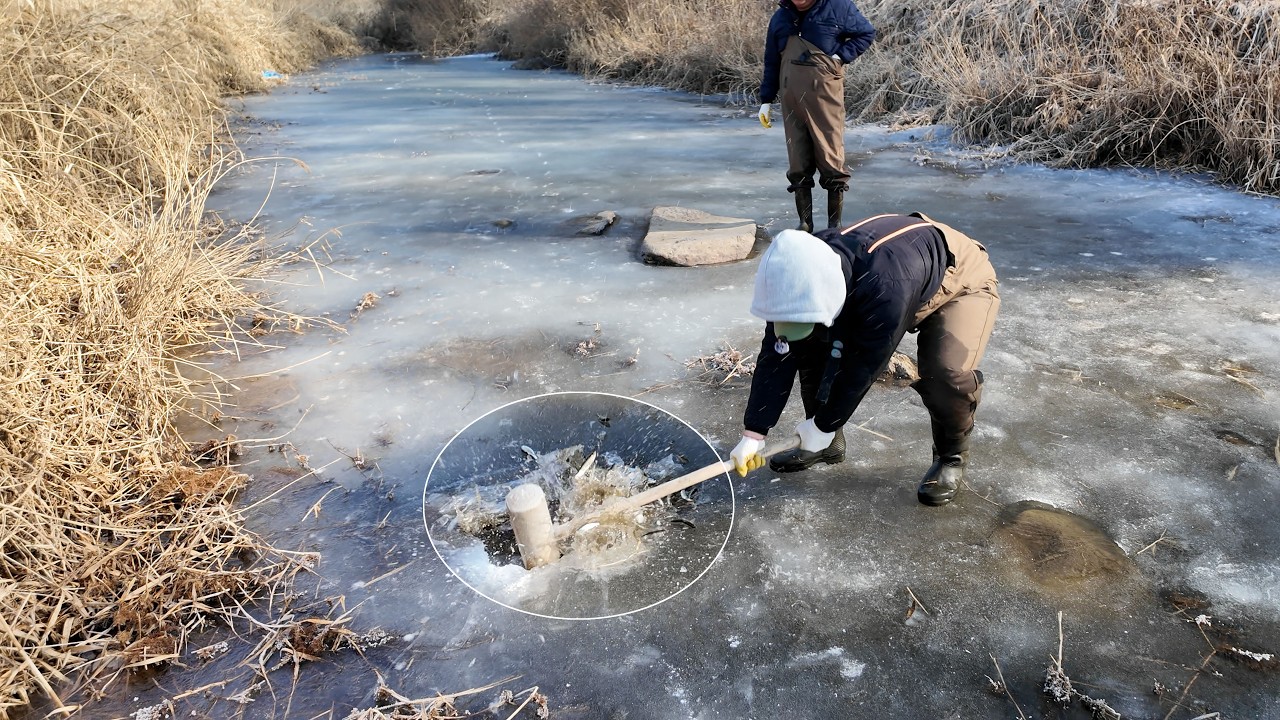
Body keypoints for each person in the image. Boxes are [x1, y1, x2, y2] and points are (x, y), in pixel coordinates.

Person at [729, 214, 1000, 506]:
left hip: (958, 278)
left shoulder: (885, 286)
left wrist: (823, 424)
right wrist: (754, 433)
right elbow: (777, 354)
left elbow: (863, 366)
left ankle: (951, 457)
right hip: (886, 274)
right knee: (808, 342)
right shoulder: (791, 275)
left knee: (945, 374)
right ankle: (828, 444)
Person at [758, 0, 876, 233]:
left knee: (830, 155)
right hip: (791, 100)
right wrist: (766, 99)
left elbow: (866, 33)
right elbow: (772, 61)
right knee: (798, 159)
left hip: (825, 96)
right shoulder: (780, 18)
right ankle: (805, 223)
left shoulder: (838, 7)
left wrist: (839, 57)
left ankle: (835, 225)